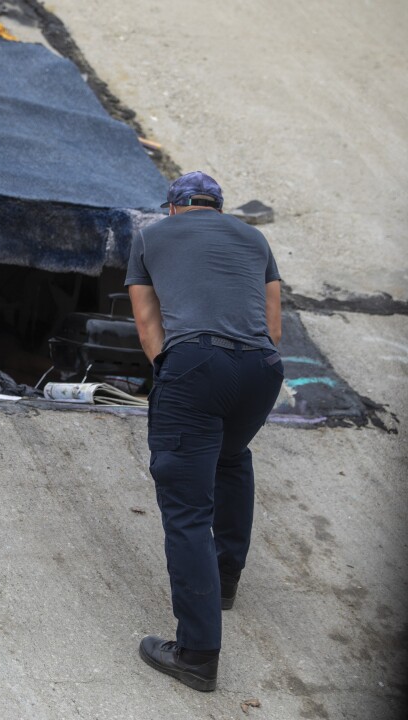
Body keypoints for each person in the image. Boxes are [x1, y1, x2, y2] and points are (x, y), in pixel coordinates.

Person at [125, 171, 284, 692]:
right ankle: (225, 581)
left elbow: (149, 325)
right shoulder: (254, 238)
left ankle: (196, 654)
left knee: (187, 508)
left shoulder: (150, 236)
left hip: (196, 364)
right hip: (261, 369)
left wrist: (173, 374)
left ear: (174, 208)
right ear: (218, 208)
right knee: (232, 455)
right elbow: (273, 327)